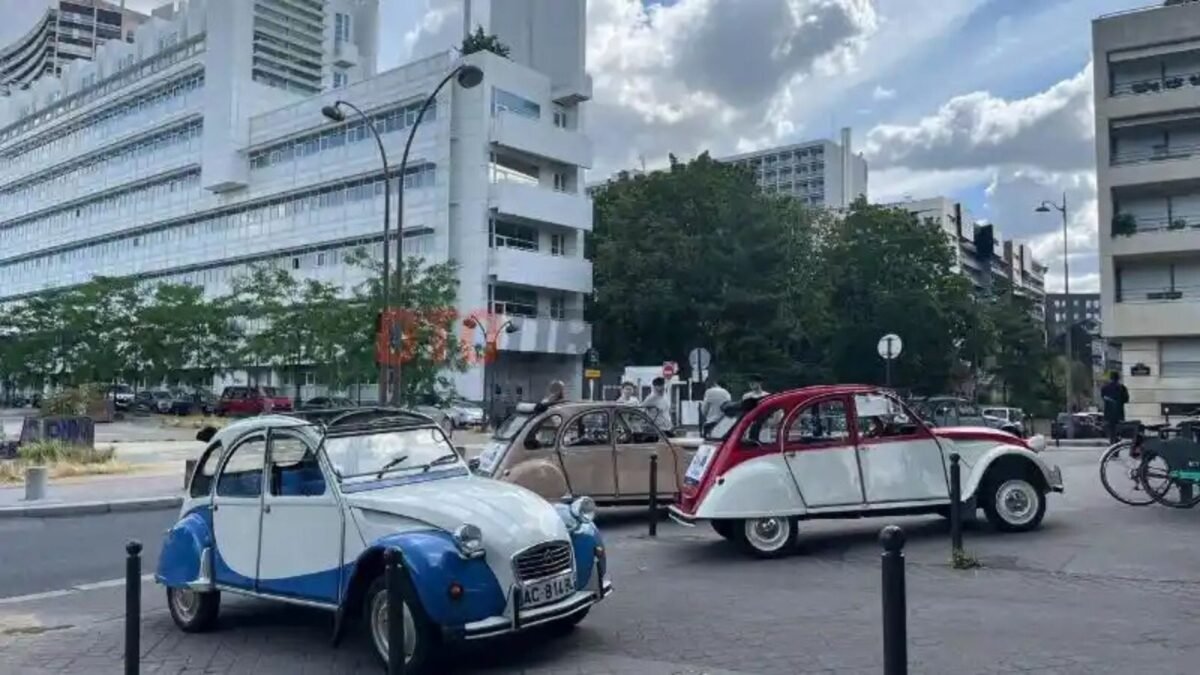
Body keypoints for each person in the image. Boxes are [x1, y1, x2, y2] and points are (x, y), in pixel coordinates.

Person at [1100, 371, 1129, 444]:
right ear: (1118, 378)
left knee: (1111, 432)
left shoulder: (1105, 388)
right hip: (1119, 414)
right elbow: (1126, 399)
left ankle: (1112, 445)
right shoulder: (1122, 388)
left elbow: (1103, 398)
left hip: (1109, 414)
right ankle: (1117, 445)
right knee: (1118, 431)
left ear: (1110, 378)